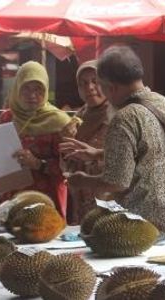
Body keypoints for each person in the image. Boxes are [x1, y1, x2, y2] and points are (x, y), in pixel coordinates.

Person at [62, 46, 165, 235]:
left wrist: (84, 181)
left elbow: (117, 182)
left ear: (111, 87)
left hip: (143, 220)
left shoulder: (123, 118)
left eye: (100, 84)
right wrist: (98, 153)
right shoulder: (163, 102)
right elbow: (151, 151)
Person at [0, 61, 72, 218]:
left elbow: (69, 167)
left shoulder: (60, 122)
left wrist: (38, 164)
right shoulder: (7, 117)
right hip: (12, 196)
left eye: (38, 89)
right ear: (17, 89)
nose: (32, 95)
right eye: (26, 89)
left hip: (46, 199)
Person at [62, 60, 115, 224]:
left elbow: (124, 158)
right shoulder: (78, 117)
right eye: (83, 83)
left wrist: (93, 157)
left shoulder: (118, 116)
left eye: (96, 81)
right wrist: (65, 143)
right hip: (79, 198)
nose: (90, 87)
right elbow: (65, 162)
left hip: (107, 194)